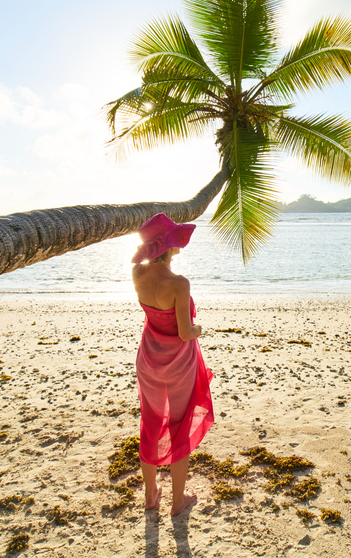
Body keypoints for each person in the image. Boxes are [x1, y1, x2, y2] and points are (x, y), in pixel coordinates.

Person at [130, 212, 214, 516]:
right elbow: (183, 332)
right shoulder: (179, 283)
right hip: (178, 364)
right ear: (168, 246)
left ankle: (151, 496)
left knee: (150, 422)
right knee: (179, 425)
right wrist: (198, 329)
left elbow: (154, 314)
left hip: (149, 359)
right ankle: (178, 501)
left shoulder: (137, 275)